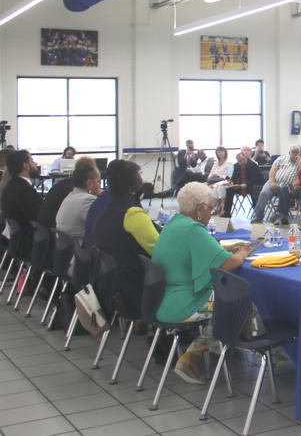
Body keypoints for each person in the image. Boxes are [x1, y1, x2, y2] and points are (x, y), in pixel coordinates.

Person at [152, 182, 252, 384]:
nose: (212, 214)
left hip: (163, 299)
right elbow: (229, 264)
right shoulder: (193, 230)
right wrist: (242, 252)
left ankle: (215, 352)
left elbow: (205, 250)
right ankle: (195, 355)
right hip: (183, 304)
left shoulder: (174, 223)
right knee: (238, 301)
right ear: (200, 209)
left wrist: (228, 248)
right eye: (211, 209)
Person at [89, 160, 159, 316]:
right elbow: (160, 251)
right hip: (135, 286)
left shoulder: (105, 212)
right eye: (139, 178)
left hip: (112, 286)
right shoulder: (132, 214)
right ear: (132, 187)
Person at [1, 150, 42, 257]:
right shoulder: (25, 191)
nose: (36, 164)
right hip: (29, 243)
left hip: (18, 241)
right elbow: (41, 218)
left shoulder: (10, 187)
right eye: (32, 161)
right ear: (25, 166)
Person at [55, 157, 102, 239]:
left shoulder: (70, 197)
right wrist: (102, 198)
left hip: (68, 249)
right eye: (98, 181)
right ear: (90, 183)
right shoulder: (87, 200)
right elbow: (103, 226)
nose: (99, 186)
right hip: (81, 249)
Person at [252, 145, 301, 224]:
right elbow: (273, 170)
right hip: (274, 181)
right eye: (293, 152)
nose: (295, 154)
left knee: (285, 191)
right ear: (289, 153)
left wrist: (299, 162)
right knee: (264, 193)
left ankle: (278, 215)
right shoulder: (281, 159)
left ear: (300, 153)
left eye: (297, 152)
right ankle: (258, 216)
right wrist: (272, 181)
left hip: (288, 186)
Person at [221, 150, 266, 217]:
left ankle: (257, 213)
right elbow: (234, 178)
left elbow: (255, 180)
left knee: (254, 189)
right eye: (239, 161)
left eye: (243, 159)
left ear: (246, 158)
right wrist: (231, 183)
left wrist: (243, 185)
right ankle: (226, 212)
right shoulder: (236, 166)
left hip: (254, 185)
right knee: (229, 190)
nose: (242, 162)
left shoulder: (253, 165)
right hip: (241, 186)